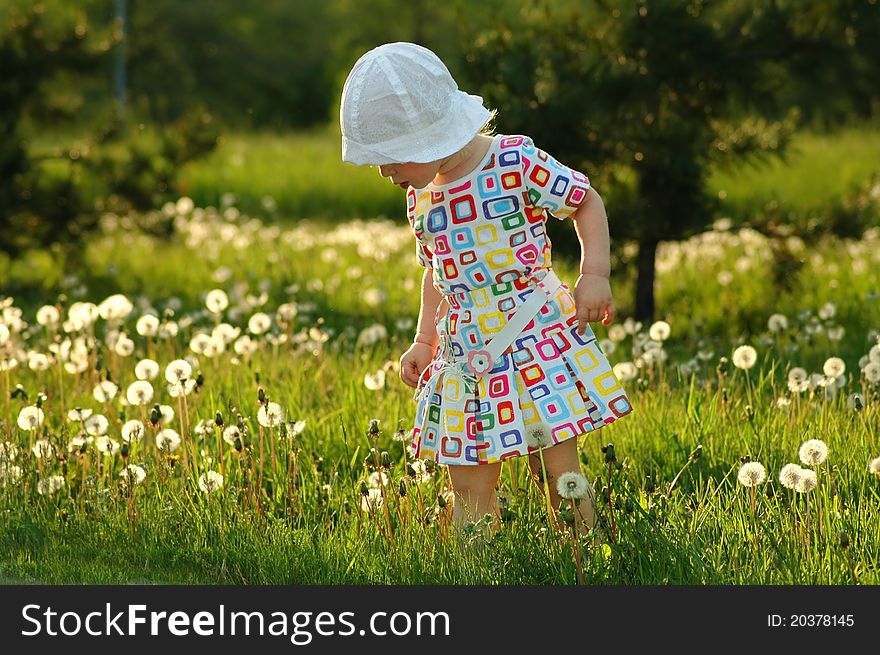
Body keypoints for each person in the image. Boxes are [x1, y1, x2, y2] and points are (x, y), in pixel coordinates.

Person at [340, 42, 633, 535]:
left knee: (556, 467)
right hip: (464, 351)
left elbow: (585, 201)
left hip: (533, 338)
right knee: (469, 478)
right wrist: (424, 339)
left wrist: (595, 275)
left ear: (425, 139)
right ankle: (474, 569)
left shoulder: (515, 161)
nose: (383, 172)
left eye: (388, 158)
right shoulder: (421, 199)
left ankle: (587, 554)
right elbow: (437, 273)